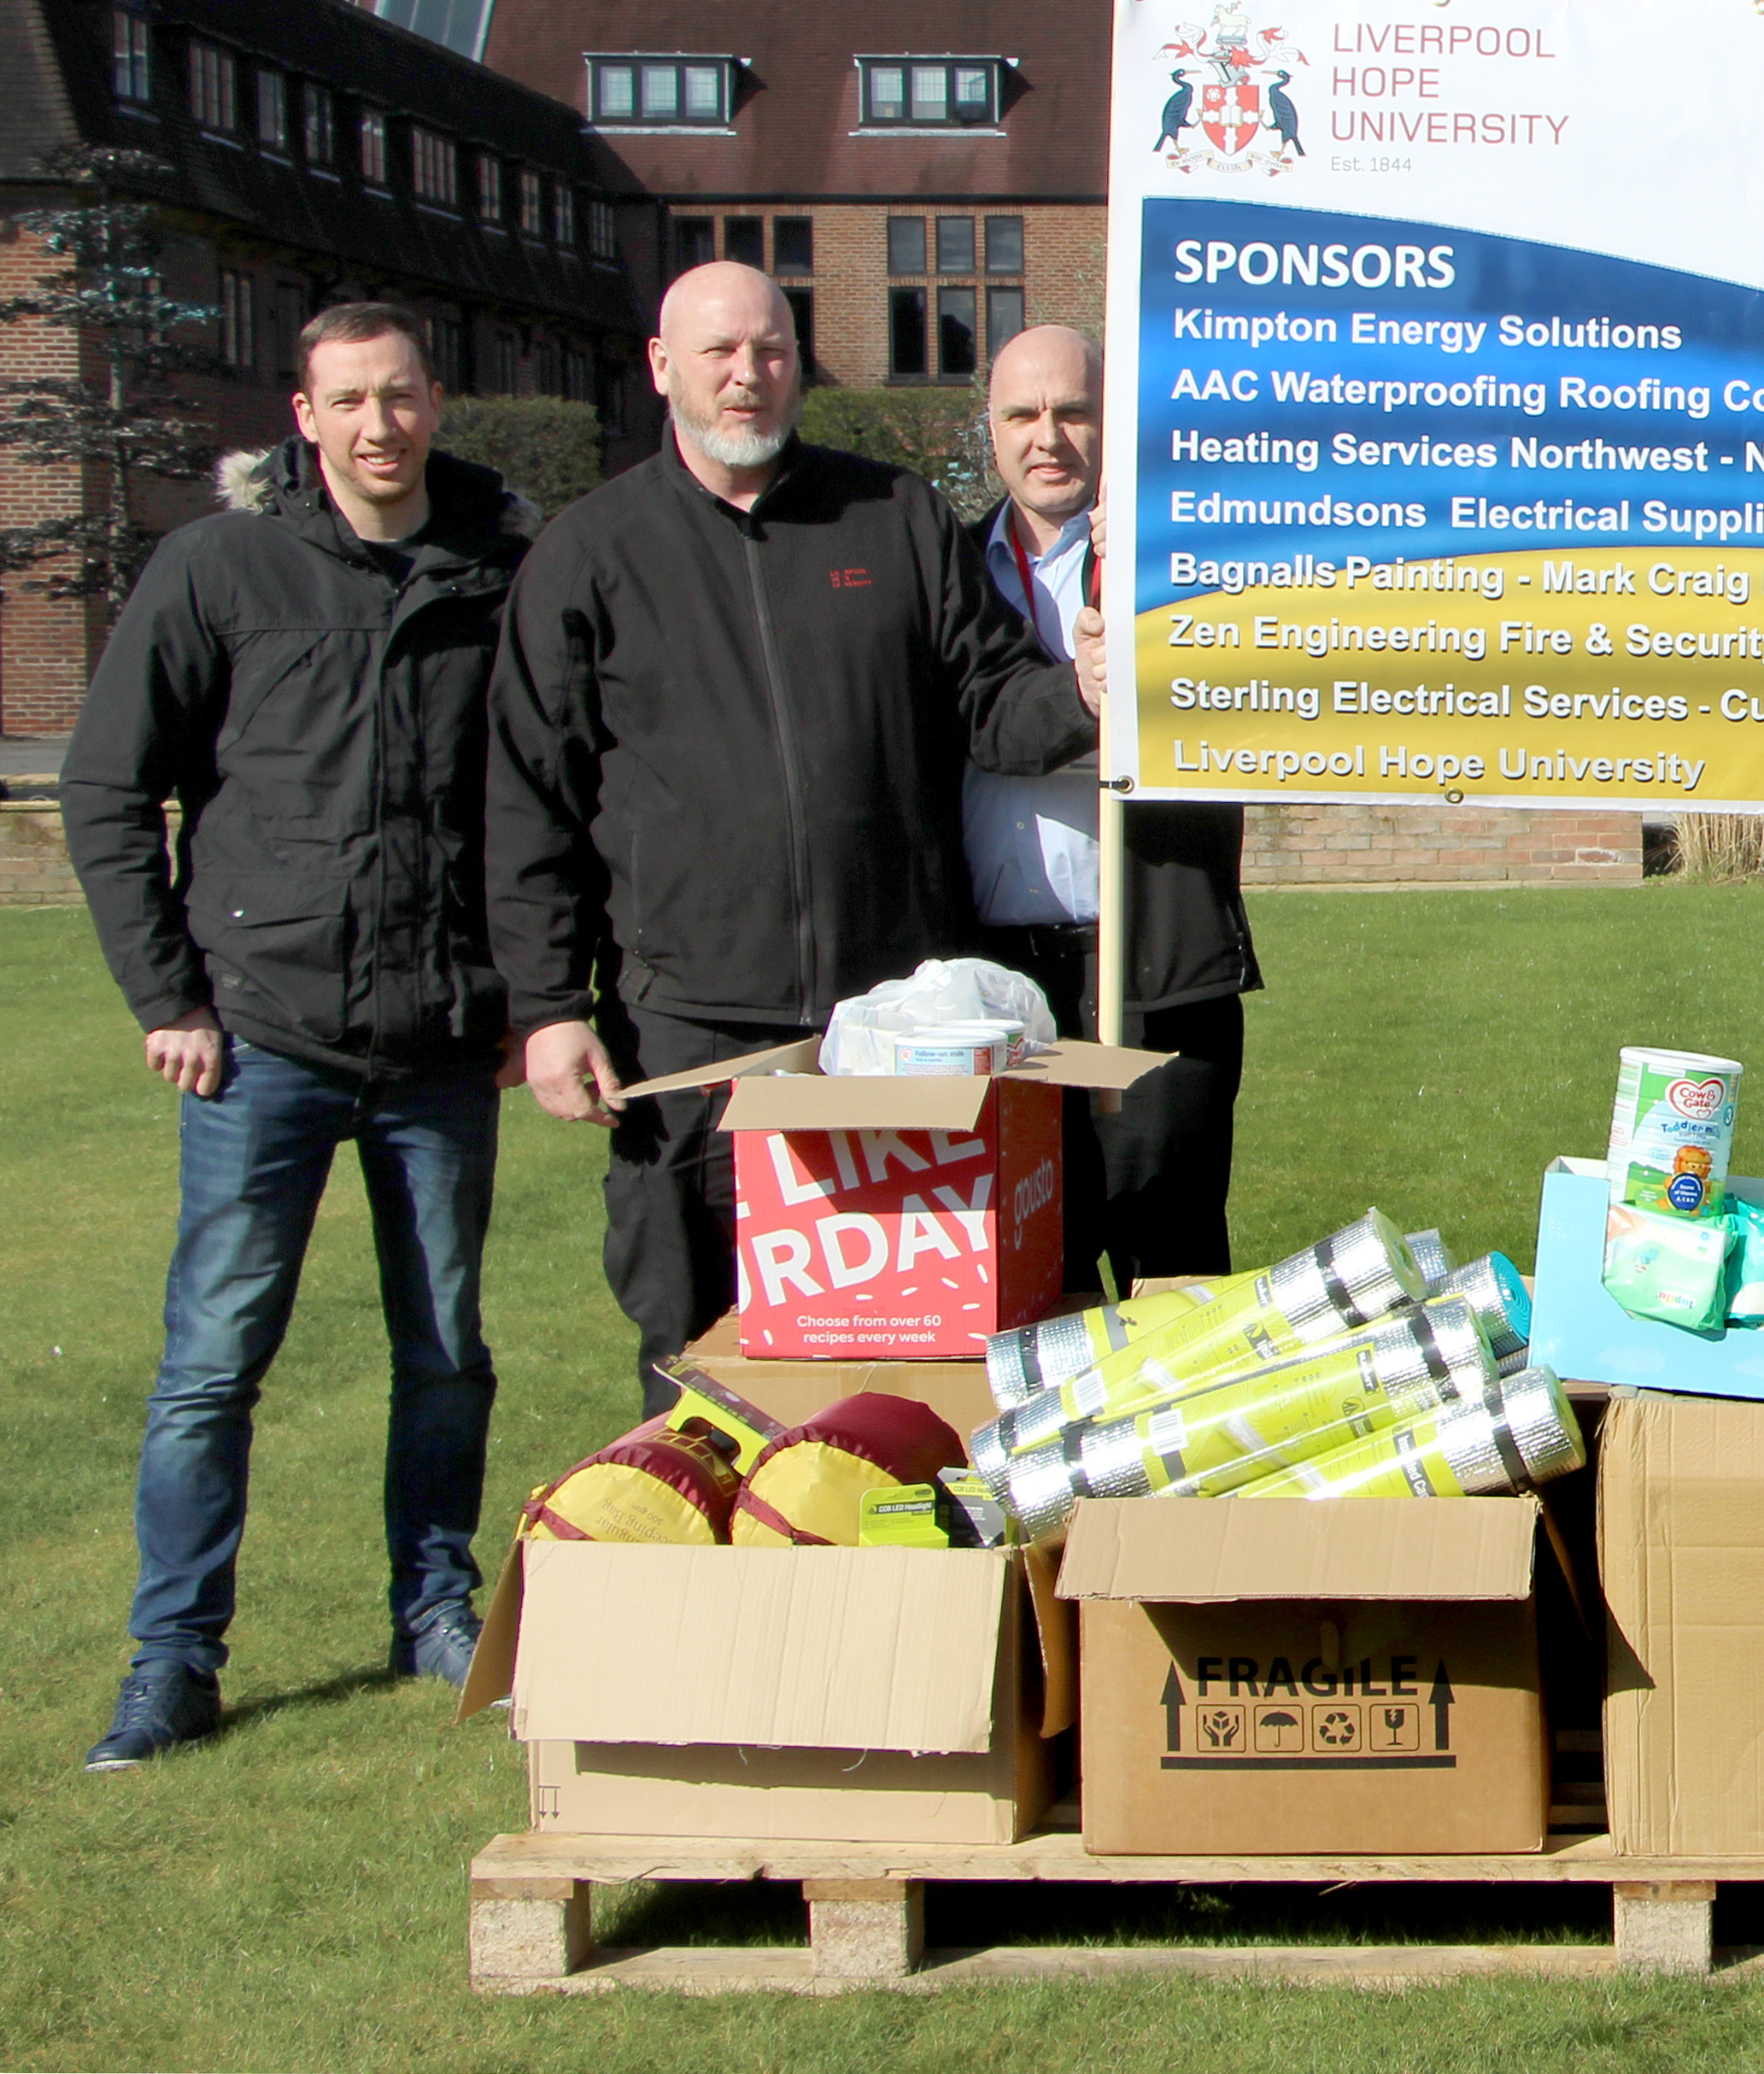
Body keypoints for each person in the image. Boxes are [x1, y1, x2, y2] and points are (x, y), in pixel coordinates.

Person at [488, 263, 1102, 1406]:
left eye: (769, 349)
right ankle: (706, 1570)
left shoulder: (894, 515)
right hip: (691, 1022)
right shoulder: (589, 553)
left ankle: (895, 1570)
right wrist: (546, 1008)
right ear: (662, 366)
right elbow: (531, 794)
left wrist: (1086, 692)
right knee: (693, 1346)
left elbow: (992, 698)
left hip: (894, 1020)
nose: (746, 373)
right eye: (719, 350)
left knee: (917, 1344)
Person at [60, 302, 533, 1767]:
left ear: (436, 401)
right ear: (305, 413)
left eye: (399, 394)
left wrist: (534, 996)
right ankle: (175, 1658)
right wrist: (167, 998)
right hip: (262, 1035)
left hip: (444, 1037)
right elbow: (104, 793)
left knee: (446, 1352)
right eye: (348, 400)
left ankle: (434, 1609)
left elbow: (549, 802)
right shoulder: (219, 567)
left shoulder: (500, 571)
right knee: (213, 1362)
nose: (378, 423)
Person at [965, 325, 1260, 1289]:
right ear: (992, 429)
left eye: (1073, 410)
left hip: (1155, 967)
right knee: (1019, 1276)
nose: (1046, 435)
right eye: (1021, 414)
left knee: (1166, 1273)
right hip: (998, 980)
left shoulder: (1193, 558)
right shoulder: (947, 572)